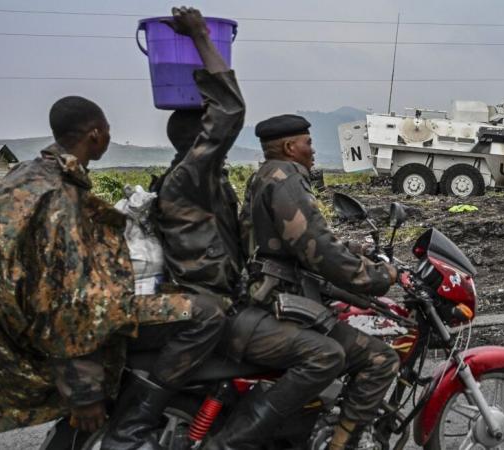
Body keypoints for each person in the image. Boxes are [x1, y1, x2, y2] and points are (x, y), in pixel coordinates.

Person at [0, 91, 229, 450]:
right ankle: (135, 421)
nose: (109, 136)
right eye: (107, 130)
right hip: (78, 320)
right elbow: (71, 302)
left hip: (29, 314)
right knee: (208, 313)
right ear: (94, 134)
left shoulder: (31, 173)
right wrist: (84, 390)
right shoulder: (62, 195)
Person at [152, 8, 351, 450]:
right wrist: (202, 38)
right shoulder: (190, 176)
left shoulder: (204, 179)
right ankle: (236, 442)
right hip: (216, 309)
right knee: (326, 354)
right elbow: (228, 111)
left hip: (222, 301)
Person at [240, 114, 401, 450]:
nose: (313, 151)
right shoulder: (286, 180)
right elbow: (319, 251)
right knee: (380, 359)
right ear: (289, 147)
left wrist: (357, 249)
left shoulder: (265, 176)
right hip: (282, 299)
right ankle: (340, 444)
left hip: (267, 292)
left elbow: (298, 240)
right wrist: (376, 277)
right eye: (308, 143)